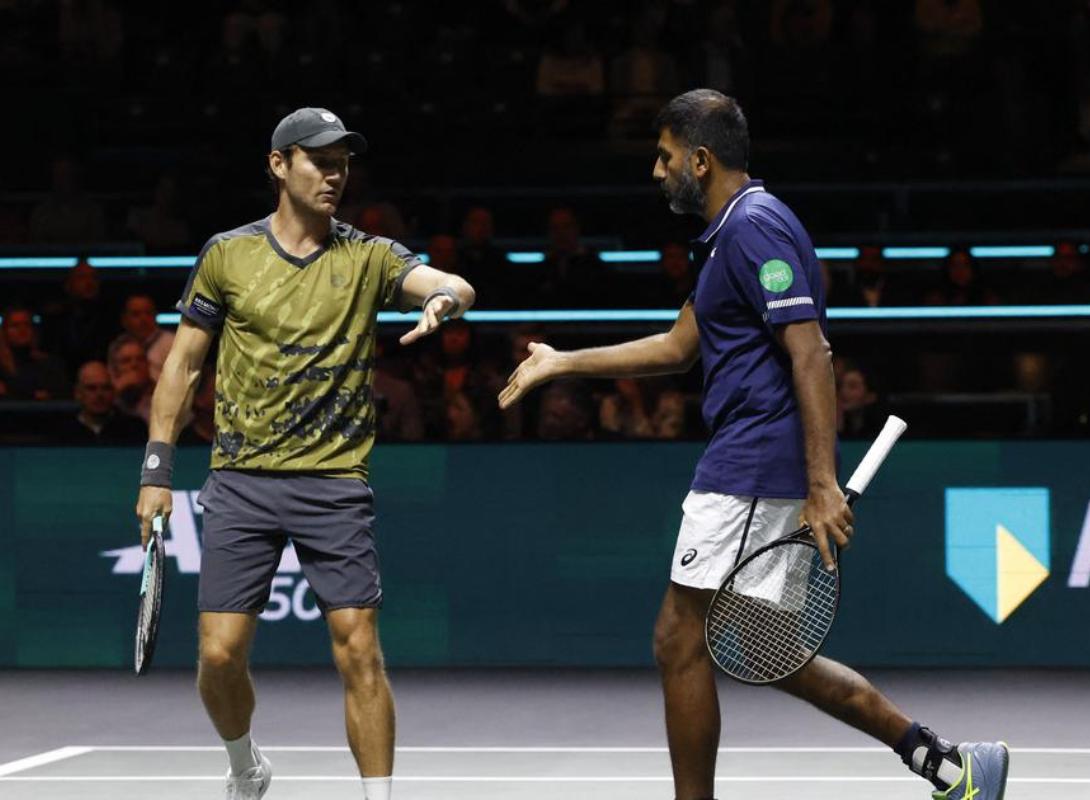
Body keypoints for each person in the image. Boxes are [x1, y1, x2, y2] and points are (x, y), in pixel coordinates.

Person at [500, 89, 1009, 800]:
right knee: (771, 653)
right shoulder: (729, 236)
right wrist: (564, 361)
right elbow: (680, 347)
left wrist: (822, 482)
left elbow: (811, 354)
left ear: (700, 161)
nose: (655, 171)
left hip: (752, 464)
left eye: (665, 156)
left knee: (678, 639)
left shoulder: (756, 229)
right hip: (756, 462)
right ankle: (944, 762)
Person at [132, 107, 475, 800]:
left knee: (359, 650)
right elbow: (183, 367)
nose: (334, 173)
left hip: (333, 482)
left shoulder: (369, 257)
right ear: (278, 164)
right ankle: (244, 765)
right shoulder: (228, 255)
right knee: (219, 655)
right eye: (319, 160)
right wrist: (157, 471)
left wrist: (444, 299)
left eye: (343, 162)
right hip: (240, 480)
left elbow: (451, 282)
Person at [63, 360, 148, 444]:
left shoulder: (134, 428)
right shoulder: (63, 431)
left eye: (105, 388)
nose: (99, 394)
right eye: (91, 388)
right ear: (78, 393)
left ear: (113, 392)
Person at [0, 306, 71, 400]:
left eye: (27, 325)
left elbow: (60, 394)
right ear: (4, 332)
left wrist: (12, 392)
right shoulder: (2, 367)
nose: (22, 330)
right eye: (15, 326)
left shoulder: (50, 364)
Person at [120, 294, 176, 381]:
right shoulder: (118, 346)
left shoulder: (172, 343)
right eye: (136, 314)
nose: (143, 318)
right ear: (125, 319)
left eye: (148, 313)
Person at [107, 333, 155, 423]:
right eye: (126, 361)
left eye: (140, 359)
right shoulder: (105, 397)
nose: (134, 365)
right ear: (113, 369)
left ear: (148, 364)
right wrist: (116, 393)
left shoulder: (163, 395)